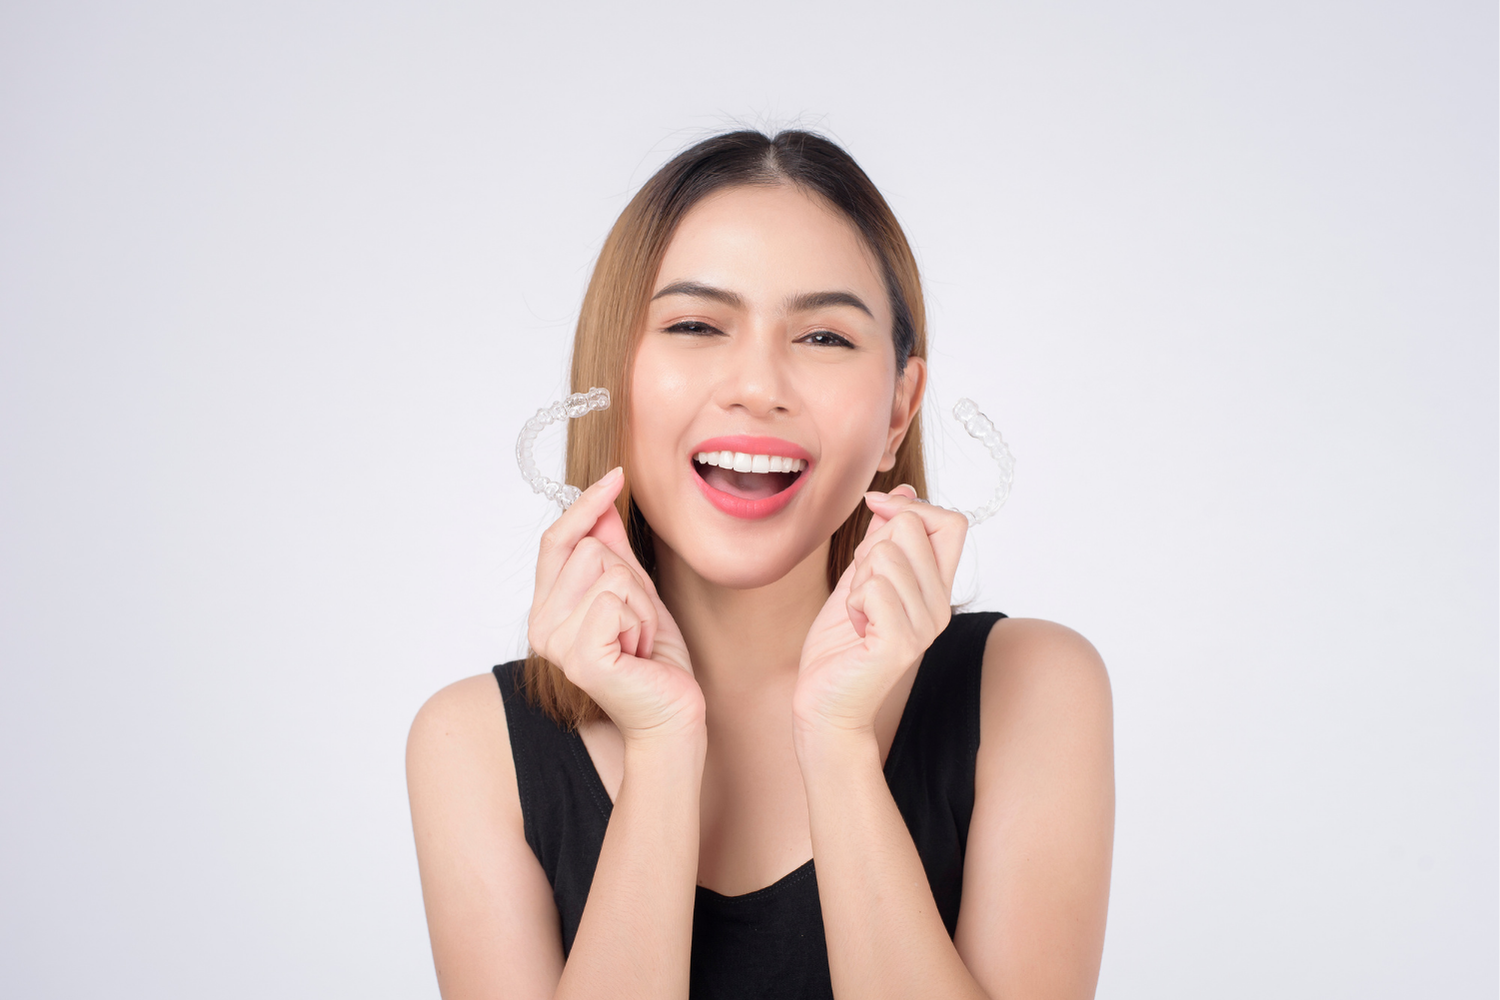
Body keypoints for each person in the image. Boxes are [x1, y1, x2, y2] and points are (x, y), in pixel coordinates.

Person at [405, 129, 1115, 999]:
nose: (757, 385)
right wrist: (665, 749)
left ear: (899, 410)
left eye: (823, 338)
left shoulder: (1032, 688)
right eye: (696, 325)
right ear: (611, 379)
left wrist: (840, 746)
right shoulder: (470, 745)